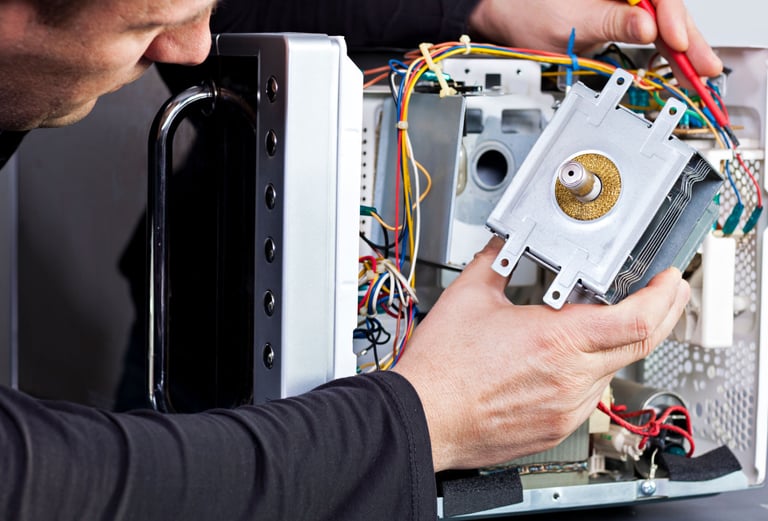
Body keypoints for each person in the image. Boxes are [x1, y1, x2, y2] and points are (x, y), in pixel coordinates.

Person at [0, 0, 718, 519]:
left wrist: (483, 7)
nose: (197, 47)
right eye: (146, 24)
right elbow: (53, 484)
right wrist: (423, 418)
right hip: (219, 356)